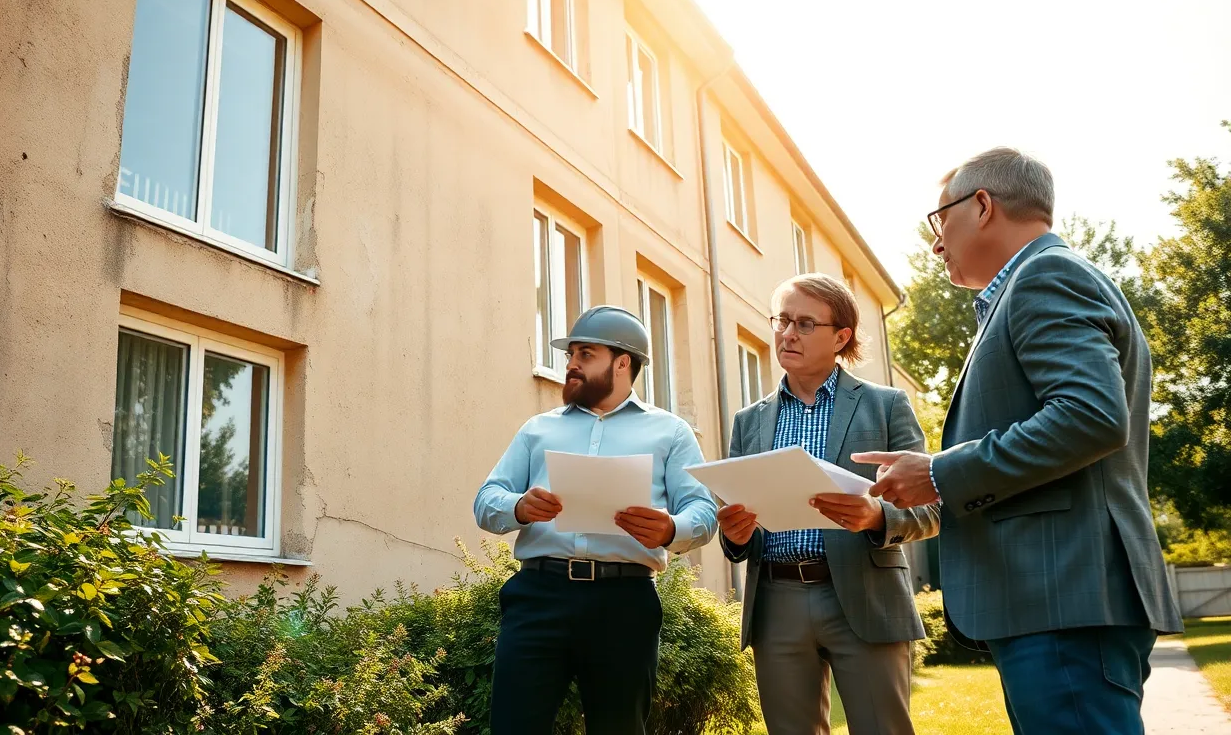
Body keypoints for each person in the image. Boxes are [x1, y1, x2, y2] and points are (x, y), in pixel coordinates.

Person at [856, 148, 1183, 734]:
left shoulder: (1045, 277)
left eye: (939, 220)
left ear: (982, 206)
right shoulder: (1037, 283)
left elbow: (1090, 416)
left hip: (1060, 597)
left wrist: (938, 472)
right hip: (1055, 600)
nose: (935, 243)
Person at [474, 305, 719, 735]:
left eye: (585, 354)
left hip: (624, 604)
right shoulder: (537, 429)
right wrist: (519, 507)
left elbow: (704, 511)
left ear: (622, 363)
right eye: (571, 354)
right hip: (538, 597)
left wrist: (670, 529)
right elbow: (486, 501)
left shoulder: (671, 432)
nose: (571, 364)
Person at [717, 274, 939, 735]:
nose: (787, 334)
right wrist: (735, 536)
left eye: (804, 323)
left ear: (841, 337)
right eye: (782, 321)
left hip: (865, 594)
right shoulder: (748, 421)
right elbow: (740, 517)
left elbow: (932, 508)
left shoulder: (886, 405)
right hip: (776, 602)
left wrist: (878, 516)